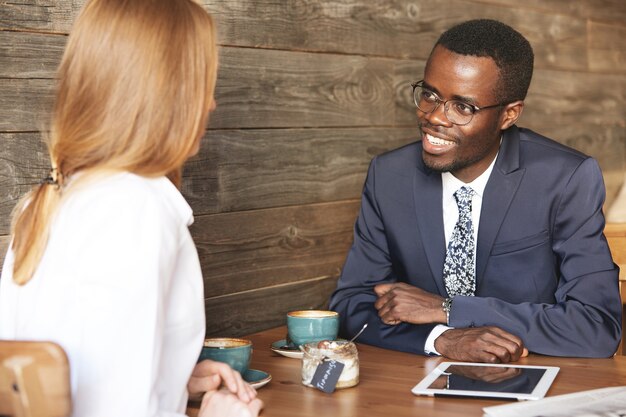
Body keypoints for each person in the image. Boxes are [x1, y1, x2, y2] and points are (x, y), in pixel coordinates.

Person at [0, 0, 262, 416]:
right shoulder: (136, 210)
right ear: (164, 91)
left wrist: (173, 379)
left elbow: (72, 376)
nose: (210, 103)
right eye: (202, 83)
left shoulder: (45, 200)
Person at [329, 19, 621, 363]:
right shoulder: (389, 175)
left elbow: (596, 327)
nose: (435, 117)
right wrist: (442, 339)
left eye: (462, 107)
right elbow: (351, 304)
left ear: (509, 115)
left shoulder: (564, 178)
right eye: (430, 95)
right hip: (412, 387)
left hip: (530, 382)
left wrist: (448, 310)